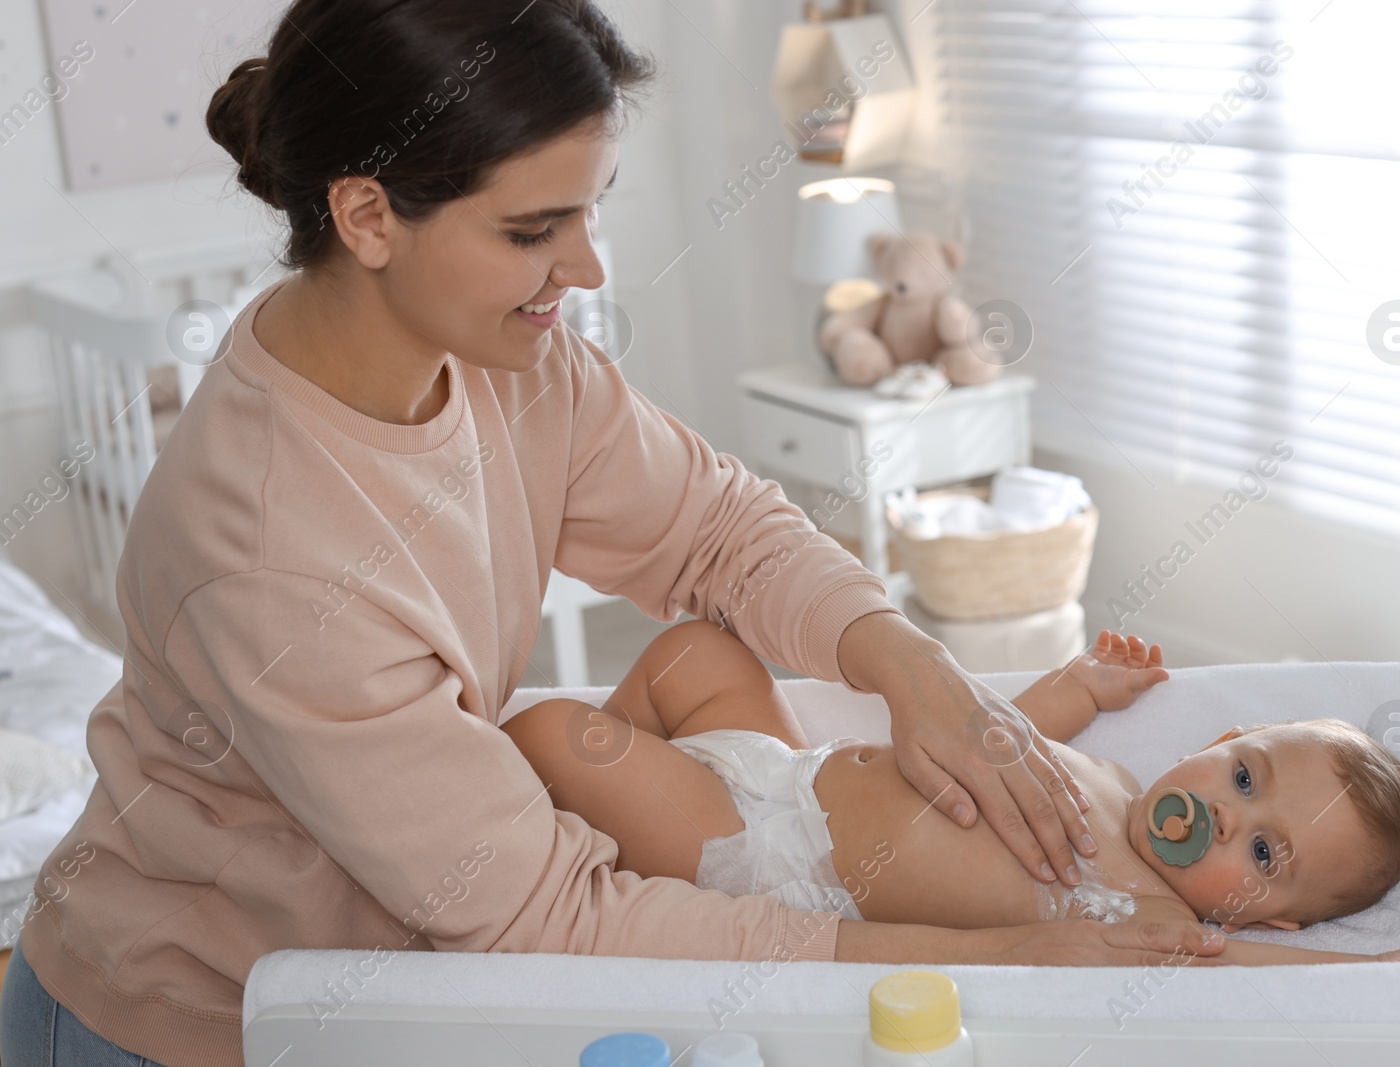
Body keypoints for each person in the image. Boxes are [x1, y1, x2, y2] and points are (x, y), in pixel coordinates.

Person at [0, 3, 1223, 1065]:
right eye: (532, 231)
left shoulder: (505, 361)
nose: (580, 268)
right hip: (189, 1014)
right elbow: (554, 915)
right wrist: (994, 955)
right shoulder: (267, 554)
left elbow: (721, 531)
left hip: (386, 953)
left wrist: (909, 667)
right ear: (367, 214)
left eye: (588, 215)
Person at [508, 624, 1400, 969]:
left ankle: (535, 836)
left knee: (554, 731)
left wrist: (1396, 962)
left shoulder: (1143, 915)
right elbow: (1002, 743)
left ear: (1263, 917)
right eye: (1242, 778)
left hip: (762, 852)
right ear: (1220, 741)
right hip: (787, 766)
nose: (1227, 816)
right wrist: (1075, 687)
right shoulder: (1109, 779)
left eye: (1264, 853)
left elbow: (1250, 977)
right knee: (699, 650)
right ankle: (579, 838)